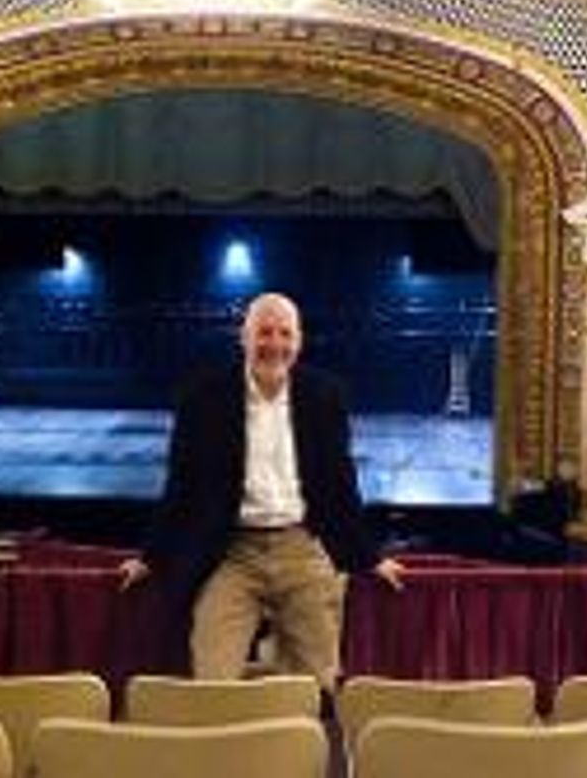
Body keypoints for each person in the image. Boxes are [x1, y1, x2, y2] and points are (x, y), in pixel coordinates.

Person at [119, 292, 404, 690]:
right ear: (244, 337)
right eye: (264, 332)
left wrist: (369, 558)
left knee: (319, 684)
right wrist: (151, 556)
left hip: (301, 549)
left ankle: (298, 749)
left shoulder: (325, 396)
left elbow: (340, 483)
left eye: (285, 333)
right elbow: (180, 486)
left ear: (299, 341)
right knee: (211, 682)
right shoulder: (202, 398)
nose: (275, 344)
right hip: (231, 554)